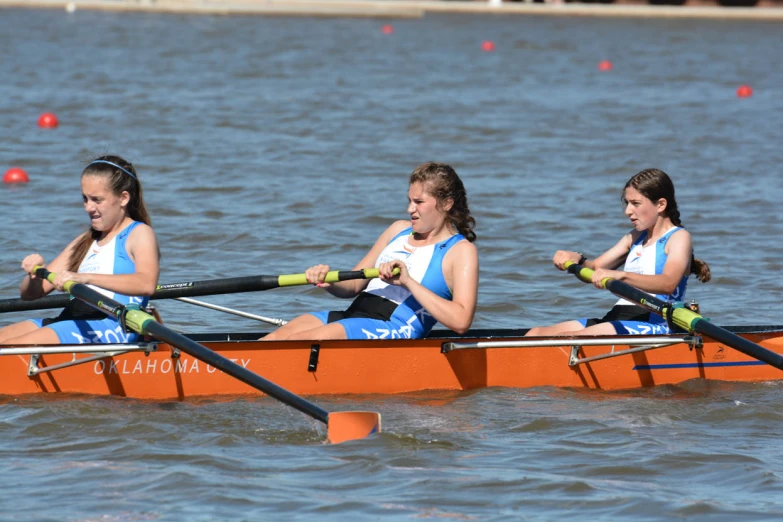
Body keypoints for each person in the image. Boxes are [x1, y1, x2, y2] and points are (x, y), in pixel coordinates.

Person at [263, 162, 479, 341]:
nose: (410, 209)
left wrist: (407, 281)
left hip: (394, 325)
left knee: (298, 343)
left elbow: (461, 322)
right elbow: (354, 285)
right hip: (355, 314)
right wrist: (328, 282)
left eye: (419, 202)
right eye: (409, 200)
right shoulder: (397, 230)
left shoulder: (461, 251)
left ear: (447, 203)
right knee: (272, 341)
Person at [525, 168, 711, 337]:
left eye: (635, 203)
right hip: (618, 317)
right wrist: (577, 259)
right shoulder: (634, 237)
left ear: (660, 204)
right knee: (536, 334)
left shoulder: (679, 237)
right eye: (627, 203)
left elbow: (668, 283)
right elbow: (596, 268)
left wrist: (621, 275)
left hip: (657, 320)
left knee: (570, 338)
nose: (628, 211)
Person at [0, 156, 160, 345]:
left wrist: (85, 277)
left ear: (123, 198)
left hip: (114, 324)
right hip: (72, 319)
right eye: (85, 199)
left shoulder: (139, 233)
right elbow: (30, 295)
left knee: (12, 348)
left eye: (97, 200)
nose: (88, 207)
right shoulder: (85, 240)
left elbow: (146, 284)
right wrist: (34, 275)